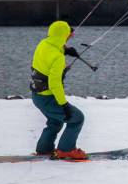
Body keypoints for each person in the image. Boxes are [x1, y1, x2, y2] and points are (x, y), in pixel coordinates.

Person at [29, 20, 87, 160]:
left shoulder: (43, 44)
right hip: (48, 98)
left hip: (37, 96)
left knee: (55, 121)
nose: (69, 36)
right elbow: (54, 83)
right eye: (68, 34)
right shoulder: (58, 57)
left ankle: (44, 149)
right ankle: (66, 150)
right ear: (63, 36)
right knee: (77, 118)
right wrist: (64, 104)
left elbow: (53, 48)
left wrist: (65, 49)